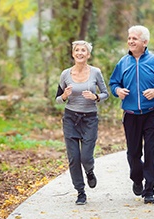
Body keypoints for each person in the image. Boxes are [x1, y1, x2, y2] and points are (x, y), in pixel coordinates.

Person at [109, 25, 154, 204]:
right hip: (131, 114)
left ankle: (149, 190)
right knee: (133, 153)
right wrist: (118, 91)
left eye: (135, 38)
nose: (131, 41)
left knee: (152, 151)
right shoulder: (123, 62)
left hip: (153, 112)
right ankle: (137, 178)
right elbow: (113, 83)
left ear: (144, 42)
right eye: (129, 38)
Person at [55, 40, 109, 205]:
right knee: (73, 157)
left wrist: (96, 97)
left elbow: (106, 93)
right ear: (73, 54)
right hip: (71, 118)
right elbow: (57, 100)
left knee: (86, 157)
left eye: (83, 50)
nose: (79, 53)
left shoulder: (95, 72)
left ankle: (90, 171)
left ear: (88, 54)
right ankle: (80, 192)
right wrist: (64, 96)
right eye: (77, 50)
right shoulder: (65, 74)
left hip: (90, 119)